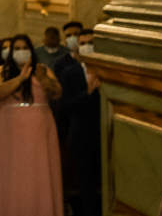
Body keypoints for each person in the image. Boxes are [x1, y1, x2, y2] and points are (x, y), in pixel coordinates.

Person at [0, 34, 63, 216]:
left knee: (40, 173)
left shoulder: (42, 69)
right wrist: (20, 78)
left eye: (25, 48)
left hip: (40, 130)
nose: (21, 52)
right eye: (17, 48)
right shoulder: (2, 71)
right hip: (11, 131)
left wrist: (43, 79)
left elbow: (57, 93)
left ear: (31, 50)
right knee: (13, 174)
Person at [58, 29, 101, 216]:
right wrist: (88, 93)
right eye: (83, 44)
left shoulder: (108, 71)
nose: (87, 47)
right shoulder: (70, 73)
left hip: (105, 135)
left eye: (91, 43)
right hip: (81, 138)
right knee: (86, 188)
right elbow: (66, 107)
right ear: (77, 48)